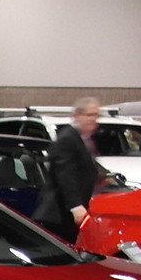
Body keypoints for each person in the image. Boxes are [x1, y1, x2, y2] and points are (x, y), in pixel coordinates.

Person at [36, 96, 105, 242]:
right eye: (89, 115)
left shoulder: (84, 139)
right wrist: (75, 206)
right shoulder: (68, 138)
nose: (93, 119)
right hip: (59, 214)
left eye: (95, 115)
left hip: (68, 214)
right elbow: (65, 174)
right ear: (76, 115)